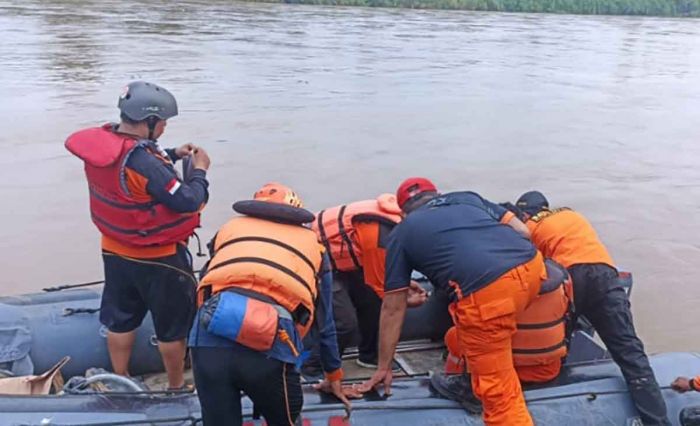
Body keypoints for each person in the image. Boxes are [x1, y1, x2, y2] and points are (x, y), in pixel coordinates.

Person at [362, 177, 546, 426]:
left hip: (487, 295)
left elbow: (393, 307)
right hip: (533, 268)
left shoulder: (402, 233)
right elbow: (523, 232)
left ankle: (486, 384)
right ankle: (476, 374)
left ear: (403, 212)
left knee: (500, 400)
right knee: (460, 334)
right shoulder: (468, 197)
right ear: (437, 194)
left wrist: (383, 367)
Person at [64, 81, 210, 389]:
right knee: (172, 328)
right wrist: (199, 171)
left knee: (121, 317)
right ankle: (176, 386)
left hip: (115, 249)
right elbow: (187, 200)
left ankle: (121, 375)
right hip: (158, 257)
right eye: (164, 123)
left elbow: (132, 172)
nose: (166, 128)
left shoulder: (106, 145)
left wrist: (170, 154)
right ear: (150, 121)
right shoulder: (145, 162)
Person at [189, 183, 359, 426]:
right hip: (270, 348)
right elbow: (326, 323)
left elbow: (208, 283)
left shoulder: (229, 230)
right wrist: (334, 375)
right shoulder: (314, 246)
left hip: (207, 341)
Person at [515, 190, 670, 426]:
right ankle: (657, 421)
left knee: (554, 345)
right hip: (606, 274)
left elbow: (530, 270)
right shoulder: (572, 215)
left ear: (525, 213)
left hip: (570, 276)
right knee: (630, 353)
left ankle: (544, 404)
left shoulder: (530, 227)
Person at [311, 194, 427, 369]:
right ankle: (316, 367)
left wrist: (405, 283)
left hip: (348, 259)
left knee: (372, 303)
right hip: (319, 263)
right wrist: (406, 300)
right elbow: (382, 290)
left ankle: (369, 356)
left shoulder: (394, 222)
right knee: (345, 323)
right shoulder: (381, 236)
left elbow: (380, 271)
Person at [442, 258, 572, 385]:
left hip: (503, 376)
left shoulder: (495, 287)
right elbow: (568, 322)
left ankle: (458, 384)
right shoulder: (559, 285)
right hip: (547, 372)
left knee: (453, 336)